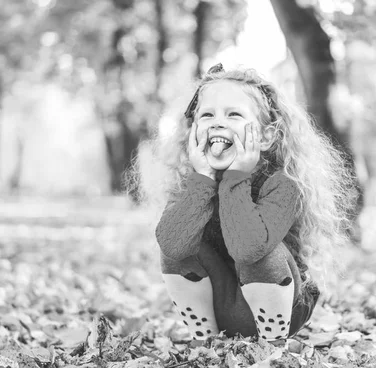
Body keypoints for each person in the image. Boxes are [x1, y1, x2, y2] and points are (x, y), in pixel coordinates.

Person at [134, 64, 355, 344]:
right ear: (192, 132)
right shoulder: (192, 184)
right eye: (207, 115)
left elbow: (249, 249)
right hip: (219, 309)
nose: (217, 122)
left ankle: (272, 348)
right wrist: (203, 178)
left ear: (265, 137)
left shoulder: (283, 184)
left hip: (280, 308)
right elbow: (171, 247)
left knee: (259, 252)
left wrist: (236, 177)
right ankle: (206, 342)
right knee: (177, 242)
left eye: (234, 114)